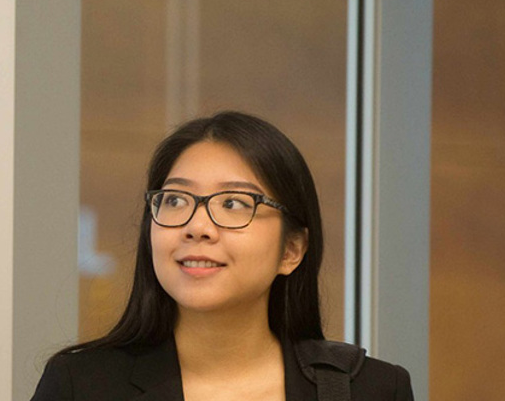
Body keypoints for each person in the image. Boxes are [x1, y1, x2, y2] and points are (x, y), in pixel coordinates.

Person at [31, 112, 412, 400]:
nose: (197, 226)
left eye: (233, 203)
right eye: (176, 200)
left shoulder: (370, 389)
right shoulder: (81, 385)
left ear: (291, 250)